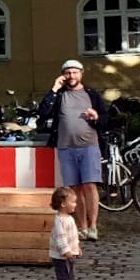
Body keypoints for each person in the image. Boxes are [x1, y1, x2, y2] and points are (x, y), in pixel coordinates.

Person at [37, 59, 115, 241]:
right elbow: (43, 113)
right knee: (73, 189)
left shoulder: (91, 94)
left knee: (90, 185)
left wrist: (96, 117)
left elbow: (106, 119)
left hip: (89, 146)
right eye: (68, 73)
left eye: (75, 72)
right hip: (66, 147)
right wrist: (54, 89)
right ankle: (82, 226)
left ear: (81, 74)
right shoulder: (60, 95)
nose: (71, 76)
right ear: (63, 75)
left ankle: (93, 226)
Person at [49, 186, 82, 280]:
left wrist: (77, 247)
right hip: (61, 256)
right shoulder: (59, 220)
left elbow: (73, 236)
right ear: (63, 203)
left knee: (71, 276)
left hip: (70, 254)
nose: (75, 205)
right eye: (73, 202)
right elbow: (61, 238)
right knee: (64, 277)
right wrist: (66, 251)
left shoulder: (70, 219)